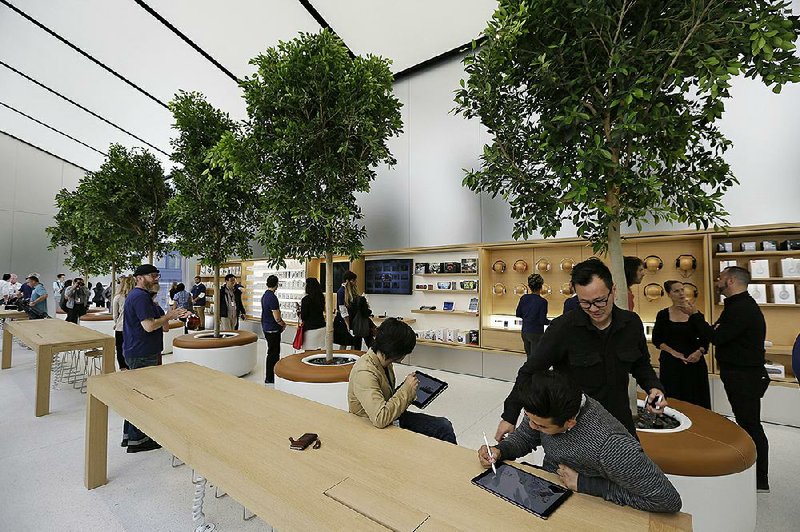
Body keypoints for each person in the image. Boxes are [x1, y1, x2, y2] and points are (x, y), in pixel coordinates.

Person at [496, 258, 666, 440]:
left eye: (600, 301)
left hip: (619, 421)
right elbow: (529, 372)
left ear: (613, 291)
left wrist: (653, 387)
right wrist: (509, 416)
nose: (594, 309)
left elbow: (640, 365)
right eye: (585, 303)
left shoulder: (631, 324)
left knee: (628, 465)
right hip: (576, 426)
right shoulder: (563, 328)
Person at [478, 371, 681, 513]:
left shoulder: (612, 446)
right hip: (550, 492)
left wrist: (586, 484)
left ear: (570, 423)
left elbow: (667, 500)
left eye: (541, 426)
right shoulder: (547, 407)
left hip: (593, 507)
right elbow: (524, 437)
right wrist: (499, 451)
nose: (531, 426)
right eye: (528, 418)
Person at [680, 266, 770, 492]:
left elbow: (717, 336)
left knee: (750, 424)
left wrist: (696, 316)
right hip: (738, 373)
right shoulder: (735, 307)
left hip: (745, 375)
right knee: (747, 421)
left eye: (720, 278)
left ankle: (760, 479)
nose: (716, 281)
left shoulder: (742, 309)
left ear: (730, 281)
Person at [348, 318, 457, 443]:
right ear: (398, 352)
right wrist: (406, 390)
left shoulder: (384, 361)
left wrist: (409, 390)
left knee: (444, 425)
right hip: (371, 425)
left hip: (390, 417)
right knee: (443, 427)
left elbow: (385, 397)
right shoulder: (365, 372)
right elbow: (380, 418)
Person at [122, 264, 186, 452]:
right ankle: (138, 439)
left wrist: (164, 314)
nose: (156, 279)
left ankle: (133, 436)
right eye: (152, 276)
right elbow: (149, 327)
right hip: (142, 353)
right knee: (143, 396)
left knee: (138, 395)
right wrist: (170, 315)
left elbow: (162, 326)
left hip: (142, 351)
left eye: (157, 275)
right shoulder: (140, 297)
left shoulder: (144, 299)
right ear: (139, 278)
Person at [651, 280, 711, 408]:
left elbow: (706, 337)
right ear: (669, 294)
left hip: (694, 362)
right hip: (671, 363)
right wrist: (674, 353)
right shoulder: (663, 315)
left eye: (682, 290)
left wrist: (699, 352)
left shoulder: (696, 314)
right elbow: (657, 339)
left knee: (697, 400)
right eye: (676, 291)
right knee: (674, 398)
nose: (681, 293)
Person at [515, 273, 549, 361]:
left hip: (525, 331)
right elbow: (542, 321)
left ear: (529, 286)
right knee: (536, 359)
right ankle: (534, 375)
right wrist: (551, 322)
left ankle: (528, 374)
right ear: (541, 287)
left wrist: (527, 317)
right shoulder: (542, 302)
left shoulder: (524, 298)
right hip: (536, 333)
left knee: (529, 358)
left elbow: (518, 313)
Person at [261, 274, 286, 384]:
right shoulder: (272, 297)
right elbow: (276, 317)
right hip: (273, 329)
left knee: (271, 352)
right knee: (274, 353)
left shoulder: (265, 295)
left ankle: (270, 376)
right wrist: (282, 324)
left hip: (266, 327)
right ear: (276, 284)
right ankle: (271, 377)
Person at [112, 276, 134, 370]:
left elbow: (115, 316)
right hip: (133, 328)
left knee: (120, 349)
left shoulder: (117, 297)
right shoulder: (136, 297)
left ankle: (123, 368)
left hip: (120, 327)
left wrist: (117, 323)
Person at [299, 277, 325, 350]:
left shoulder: (306, 299)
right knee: (318, 352)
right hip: (321, 327)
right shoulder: (321, 297)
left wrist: (299, 312)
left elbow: (304, 316)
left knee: (308, 353)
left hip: (310, 329)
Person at [334, 271, 358, 349]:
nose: (355, 283)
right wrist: (348, 324)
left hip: (350, 319)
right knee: (344, 342)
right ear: (348, 281)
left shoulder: (351, 291)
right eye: (353, 280)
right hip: (343, 320)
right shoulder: (341, 292)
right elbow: (343, 310)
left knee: (353, 342)